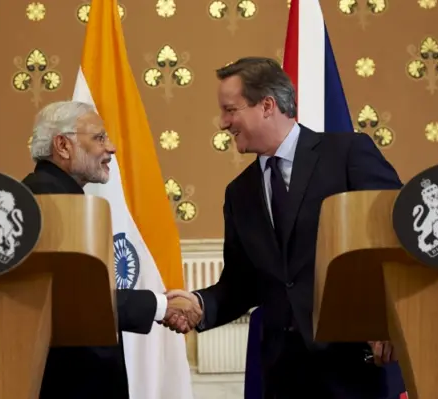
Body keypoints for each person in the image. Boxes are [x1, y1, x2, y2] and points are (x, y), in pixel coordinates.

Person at [164, 57, 403, 399]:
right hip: (284, 374)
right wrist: (198, 304)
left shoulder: (347, 154)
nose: (222, 123)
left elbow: (397, 239)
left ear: (267, 105)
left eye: (230, 110)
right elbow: (242, 284)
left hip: (358, 364)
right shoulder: (239, 192)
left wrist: (389, 321)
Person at [23, 100, 202, 399]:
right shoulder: (49, 203)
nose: (112, 147)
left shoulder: (60, 197)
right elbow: (74, 300)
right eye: (99, 138)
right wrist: (161, 306)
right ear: (63, 145)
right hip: (70, 382)